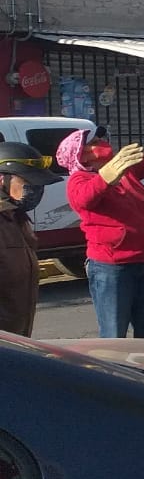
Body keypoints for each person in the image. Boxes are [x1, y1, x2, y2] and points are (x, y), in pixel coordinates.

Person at [59, 94, 144, 339]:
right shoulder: (80, 179)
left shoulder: (124, 172)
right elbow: (83, 200)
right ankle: (114, 376)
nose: (101, 140)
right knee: (114, 334)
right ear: (82, 155)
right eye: (93, 141)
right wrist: (104, 178)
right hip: (112, 268)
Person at [0, 141, 62, 336]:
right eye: (28, 183)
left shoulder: (16, 218)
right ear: (2, 179)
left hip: (18, 341)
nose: (36, 190)